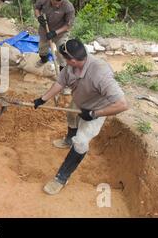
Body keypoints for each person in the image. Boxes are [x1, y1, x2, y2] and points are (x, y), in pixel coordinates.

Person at [33, 39, 129, 195]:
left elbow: (122, 104)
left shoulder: (100, 73)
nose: (65, 61)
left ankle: (61, 178)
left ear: (73, 60)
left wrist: (94, 114)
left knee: (81, 143)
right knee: (71, 115)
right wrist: (43, 99)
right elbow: (60, 83)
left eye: (65, 59)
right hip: (79, 100)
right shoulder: (72, 66)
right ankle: (68, 139)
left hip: (97, 109)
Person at [34, 0, 75, 70]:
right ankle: (43, 60)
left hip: (60, 32)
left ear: (62, 0)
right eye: (54, 3)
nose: (57, 6)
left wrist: (55, 33)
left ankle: (62, 70)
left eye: (59, 4)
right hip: (45, 29)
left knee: (62, 51)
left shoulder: (68, 7)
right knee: (42, 49)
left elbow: (68, 25)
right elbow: (36, 8)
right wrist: (39, 17)